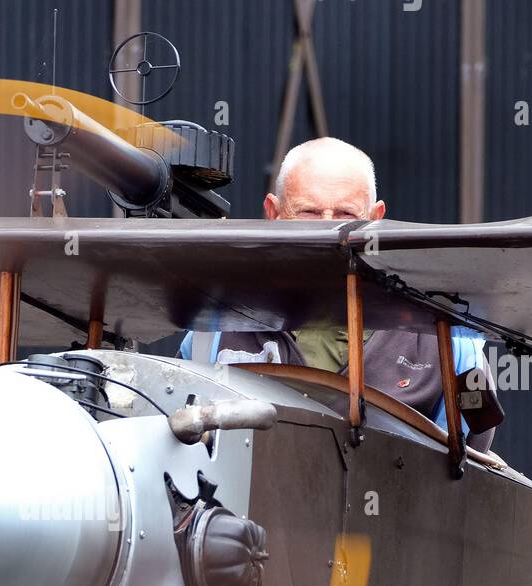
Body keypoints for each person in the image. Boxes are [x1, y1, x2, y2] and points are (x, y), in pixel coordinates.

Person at [180, 137, 498, 451]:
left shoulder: (445, 338)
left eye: (346, 215)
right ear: (273, 212)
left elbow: (470, 470)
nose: (328, 232)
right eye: (308, 213)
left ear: (376, 218)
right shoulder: (215, 331)